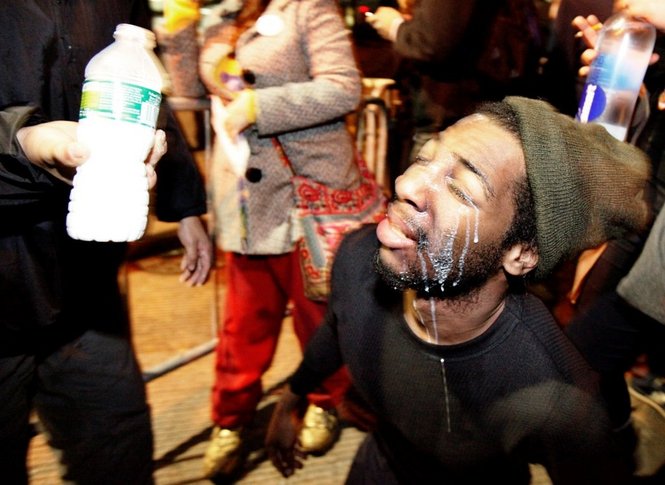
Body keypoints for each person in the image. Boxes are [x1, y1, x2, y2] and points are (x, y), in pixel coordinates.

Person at [264, 96, 652, 484]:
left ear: (520, 254)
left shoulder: (555, 396)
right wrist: (291, 399)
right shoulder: (357, 257)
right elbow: (337, 325)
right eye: (424, 158)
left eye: (462, 190)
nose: (406, 184)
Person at [0, 2, 212, 483]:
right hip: (7, 264)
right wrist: (21, 146)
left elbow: (143, 88)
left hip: (85, 280)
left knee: (118, 448)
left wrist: (184, 205)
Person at [155, 0, 361, 477]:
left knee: (317, 313)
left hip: (307, 192)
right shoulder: (218, 18)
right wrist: (180, 26)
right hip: (244, 200)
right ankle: (230, 418)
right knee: (244, 322)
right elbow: (187, 93)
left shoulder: (307, 8)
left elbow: (343, 87)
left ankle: (326, 400)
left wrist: (259, 106)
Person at [365, 0, 544, 174]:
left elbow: (435, 42)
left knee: (428, 189)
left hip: (451, 113)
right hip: (473, 109)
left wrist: (395, 27)